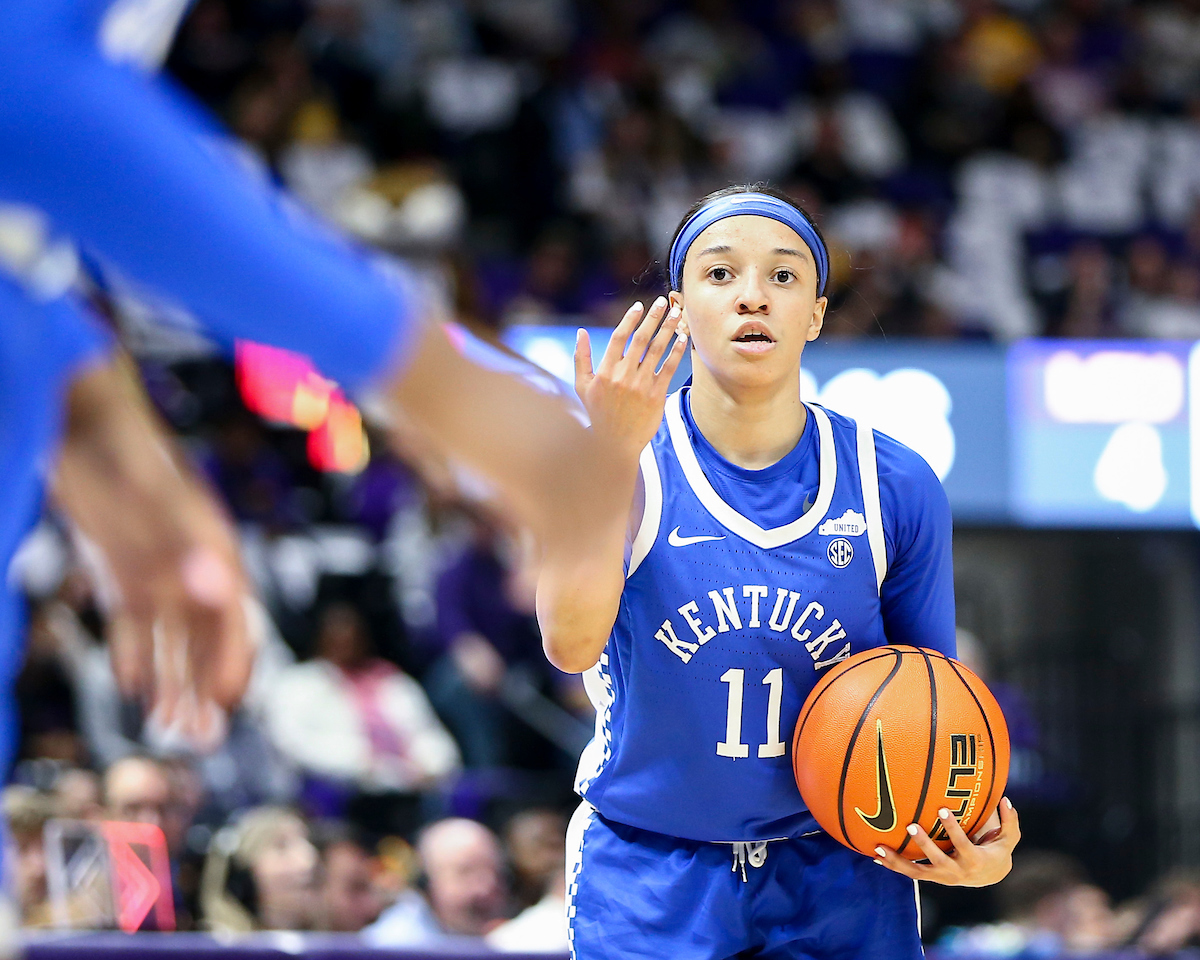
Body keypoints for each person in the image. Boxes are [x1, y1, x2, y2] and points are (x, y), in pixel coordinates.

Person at [536, 184, 1022, 959]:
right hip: (653, 866)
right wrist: (604, 461)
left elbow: (937, 699)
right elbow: (567, 644)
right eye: (721, 275)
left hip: (841, 867)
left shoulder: (893, 483)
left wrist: (987, 830)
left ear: (818, 314)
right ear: (679, 306)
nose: (752, 297)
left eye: (784, 277)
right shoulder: (617, 461)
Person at [365, 817, 507, 947]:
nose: (485, 888)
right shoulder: (391, 945)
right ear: (425, 882)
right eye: (465, 872)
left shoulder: (512, 939)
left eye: (494, 872)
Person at [199, 806, 317, 933]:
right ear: (240, 877)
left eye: (306, 842)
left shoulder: (329, 943)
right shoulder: (214, 944)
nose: (307, 860)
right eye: (281, 846)